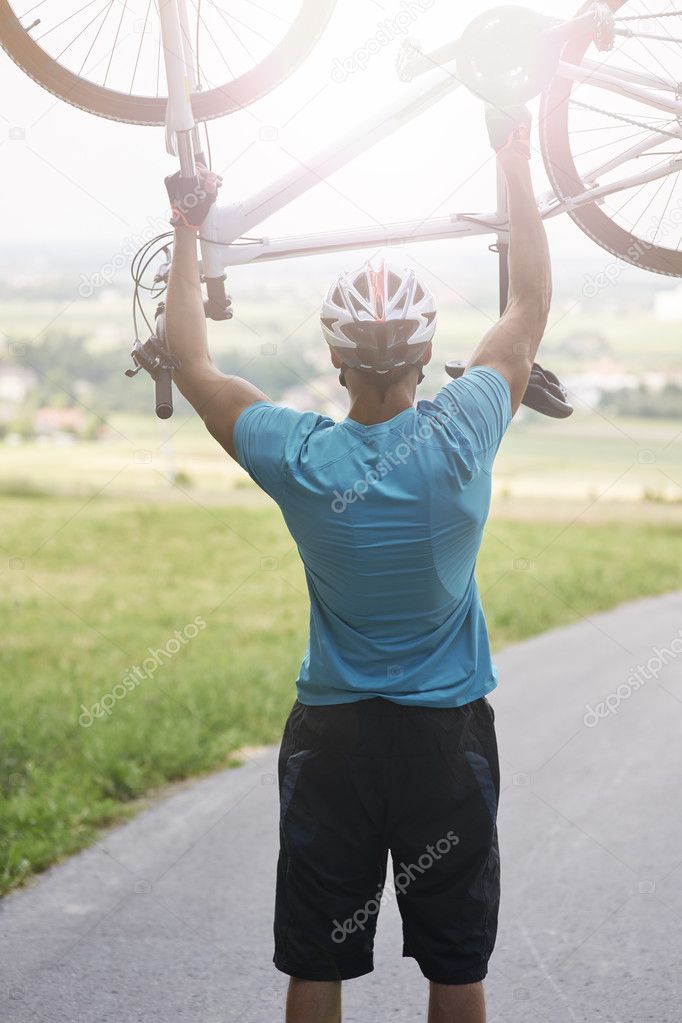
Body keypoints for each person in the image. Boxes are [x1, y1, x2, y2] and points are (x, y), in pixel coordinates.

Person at [164, 104, 551, 1023]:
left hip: (333, 738)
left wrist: (186, 228)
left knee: (319, 957)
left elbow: (189, 360)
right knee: (455, 964)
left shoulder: (299, 460)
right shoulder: (463, 436)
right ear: (425, 358)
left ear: (336, 358)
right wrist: (514, 161)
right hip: (444, 740)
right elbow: (527, 310)